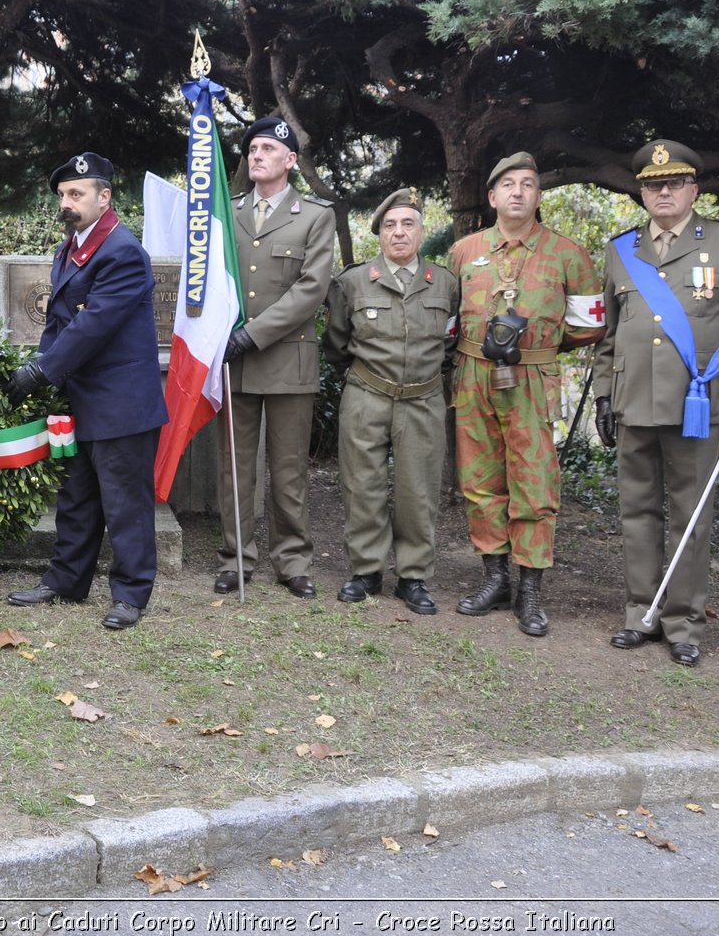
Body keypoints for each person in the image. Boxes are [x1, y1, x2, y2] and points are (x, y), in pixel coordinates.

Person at [593, 140, 719, 668]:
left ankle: (683, 622)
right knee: (637, 511)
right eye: (651, 185)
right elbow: (608, 335)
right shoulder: (621, 250)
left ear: (693, 188)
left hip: (697, 403)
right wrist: (603, 393)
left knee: (691, 515)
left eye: (673, 183)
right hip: (634, 399)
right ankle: (640, 613)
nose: (662, 192)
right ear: (641, 192)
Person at [4, 152, 167, 630]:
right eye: (62, 195)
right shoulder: (71, 247)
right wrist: (43, 370)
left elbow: (93, 327)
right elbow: (60, 323)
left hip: (120, 402)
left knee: (125, 504)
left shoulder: (121, 251)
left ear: (105, 197)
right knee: (76, 497)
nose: (67, 202)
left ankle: (131, 595)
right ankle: (65, 581)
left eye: (77, 194)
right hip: (80, 396)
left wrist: (40, 372)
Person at [449, 152, 604, 636]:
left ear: (538, 196)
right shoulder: (463, 252)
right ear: (492, 197)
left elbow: (589, 325)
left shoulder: (568, 254)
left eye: (528, 184)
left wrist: (536, 349)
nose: (518, 192)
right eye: (508, 185)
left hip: (531, 381)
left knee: (534, 482)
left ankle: (529, 590)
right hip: (473, 375)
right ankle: (494, 579)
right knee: (479, 479)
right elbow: (447, 318)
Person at [322, 189, 459, 614]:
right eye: (389, 226)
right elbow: (336, 343)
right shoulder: (353, 282)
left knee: (418, 490)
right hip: (367, 396)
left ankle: (413, 577)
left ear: (421, 231)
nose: (398, 233)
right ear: (379, 234)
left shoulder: (447, 284)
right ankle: (366, 571)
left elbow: (452, 344)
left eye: (407, 224)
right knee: (362, 486)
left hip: (423, 400)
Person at [216, 117, 335, 599]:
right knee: (235, 465)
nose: (257, 155)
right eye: (252, 148)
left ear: (290, 160)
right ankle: (236, 557)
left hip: (286, 358)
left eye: (268, 148)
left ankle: (292, 560)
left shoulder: (314, 215)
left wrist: (253, 335)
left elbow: (312, 289)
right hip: (234, 360)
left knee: (288, 469)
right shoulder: (230, 211)